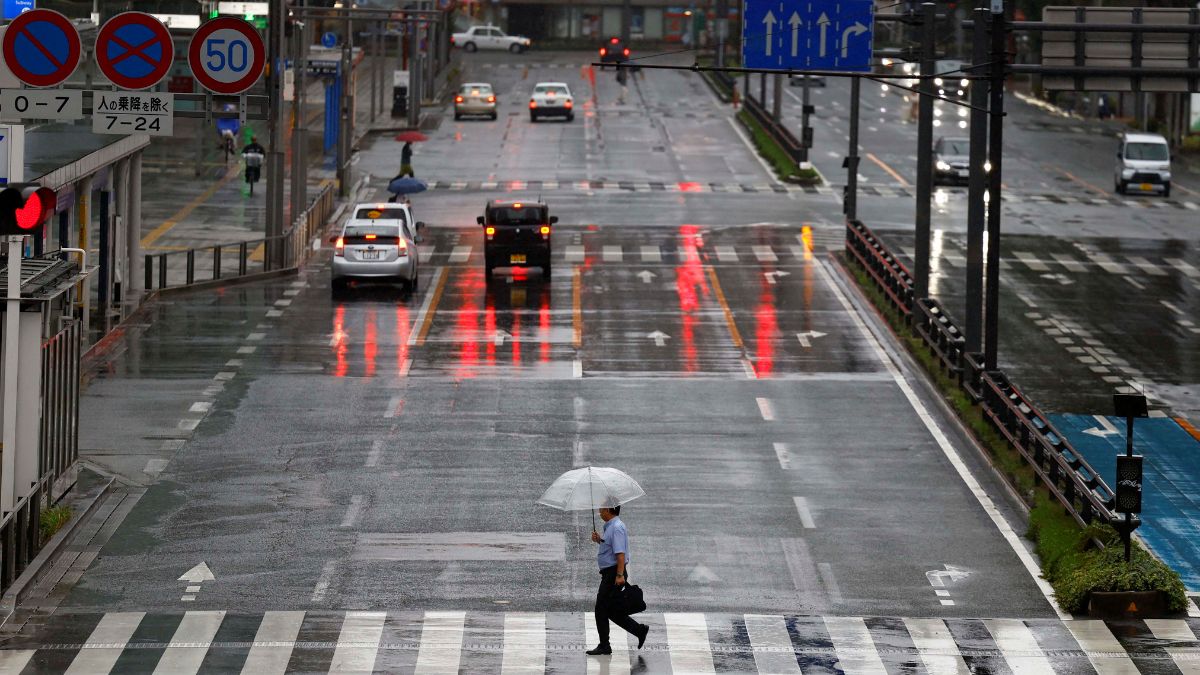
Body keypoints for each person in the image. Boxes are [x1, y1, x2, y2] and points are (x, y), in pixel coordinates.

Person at [586, 505, 649, 656]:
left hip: (613, 574)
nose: (599, 511)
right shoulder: (611, 527)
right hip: (611, 573)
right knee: (611, 610)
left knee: (600, 608)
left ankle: (604, 645)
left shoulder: (616, 528)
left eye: (601, 509)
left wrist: (619, 575)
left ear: (608, 510)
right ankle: (639, 630)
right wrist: (599, 540)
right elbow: (611, 547)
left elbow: (620, 554)